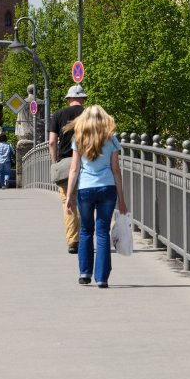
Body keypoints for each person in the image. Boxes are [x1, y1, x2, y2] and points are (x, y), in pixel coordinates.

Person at [66, 105, 128, 288]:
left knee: (85, 230)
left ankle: (84, 273)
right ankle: (102, 278)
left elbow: (74, 169)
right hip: (107, 188)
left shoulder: (78, 138)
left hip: (85, 189)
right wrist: (122, 200)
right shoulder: (112, 139)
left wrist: (69, 195)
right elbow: (116, 171)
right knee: (102, 232)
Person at [49, 84, 87, 254]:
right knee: (85, 201)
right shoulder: (88, 114)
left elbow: (51, 142)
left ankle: (73, 241)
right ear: (83, 99)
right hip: (87, 163)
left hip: (66, 163)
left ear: (69, 99)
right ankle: (86, 238)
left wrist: (55, 161)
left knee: (68, 202)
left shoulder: (58, 114)